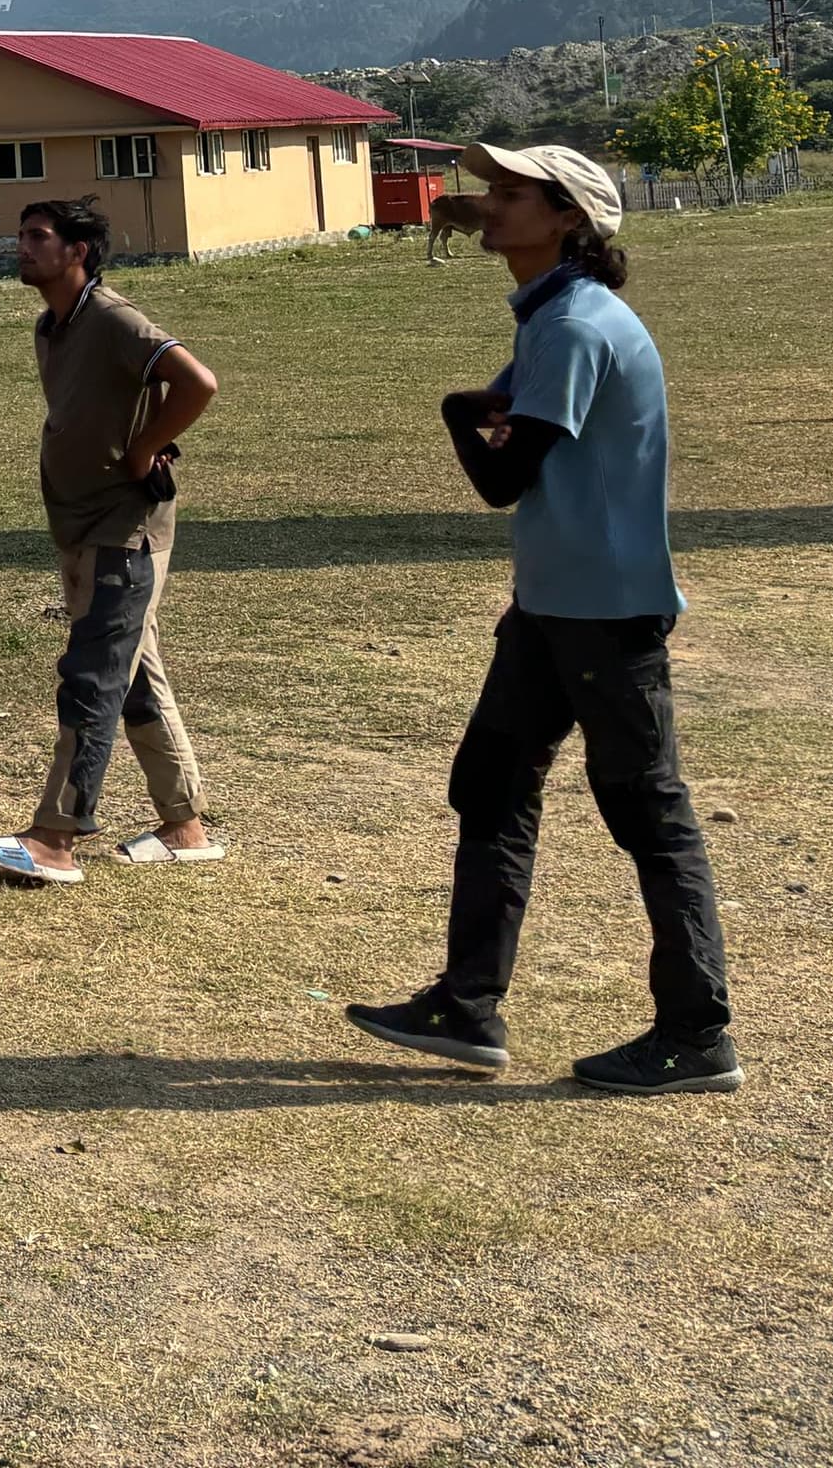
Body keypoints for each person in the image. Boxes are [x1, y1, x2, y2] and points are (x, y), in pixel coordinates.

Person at [349, 144, 738, 1096]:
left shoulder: (572, 325)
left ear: (568, 217)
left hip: (604, 614)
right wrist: (483, 408)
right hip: (554, 607)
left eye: (511, 193)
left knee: (648, 815)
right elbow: (521, 424)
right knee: (489, 788)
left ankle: (697, 1035)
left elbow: (503, 476)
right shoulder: (551, 315)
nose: (488, 204)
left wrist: (457, 414)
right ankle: (466, 1006)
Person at [0, 195, 221, 886]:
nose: (22, 247)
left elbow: (196, 382)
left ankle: (55, 837)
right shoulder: (51, 325)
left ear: (77, 252)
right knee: (134, 674)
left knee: (93, 676)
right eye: (21, 234)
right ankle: (185, 826)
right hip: (78, 523)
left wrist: (146, 447)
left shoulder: (115, 319)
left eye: (38, 237)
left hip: (125, 530)